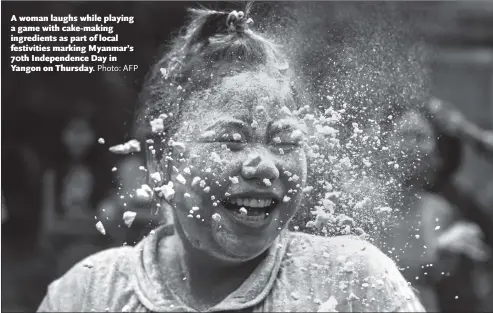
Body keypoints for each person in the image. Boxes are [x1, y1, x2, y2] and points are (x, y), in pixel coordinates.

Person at [37, 7, 425, 312]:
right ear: (160, 162)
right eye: (232, 140)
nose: (267, 166)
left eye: (285, 140)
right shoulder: (86, 293)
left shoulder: (353, 283)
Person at [375, 102, 493, 312]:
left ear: (436, 151)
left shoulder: (442, 208)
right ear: (383, 142)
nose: (412, 146)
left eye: (421, 137)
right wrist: (434, 252)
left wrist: (467, 131)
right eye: (404, 135)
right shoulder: (363, 199)